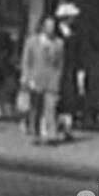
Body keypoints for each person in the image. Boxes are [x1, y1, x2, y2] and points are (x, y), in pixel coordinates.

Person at [21, 16, 65, 145]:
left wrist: (57, 79)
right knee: (35, 108)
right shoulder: (32, 41)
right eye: (48, 26)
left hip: (51, 80)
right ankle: (34, 134)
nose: (50, 29)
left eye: (52, 26)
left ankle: (51, 135)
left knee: (50, 107)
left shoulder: (59, 43)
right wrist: (26, 77)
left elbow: (60, 64)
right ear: (42, 27)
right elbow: (26, 61)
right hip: (35, 78)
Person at [54, 3, 87, 140]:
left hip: (71, 69)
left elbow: (79, 53)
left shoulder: (76, 32)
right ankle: (55, 126)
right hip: (57, 70)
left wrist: (80, 70)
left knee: (70, 98)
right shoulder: (56, 33)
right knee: (57, 98)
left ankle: (67, 127)